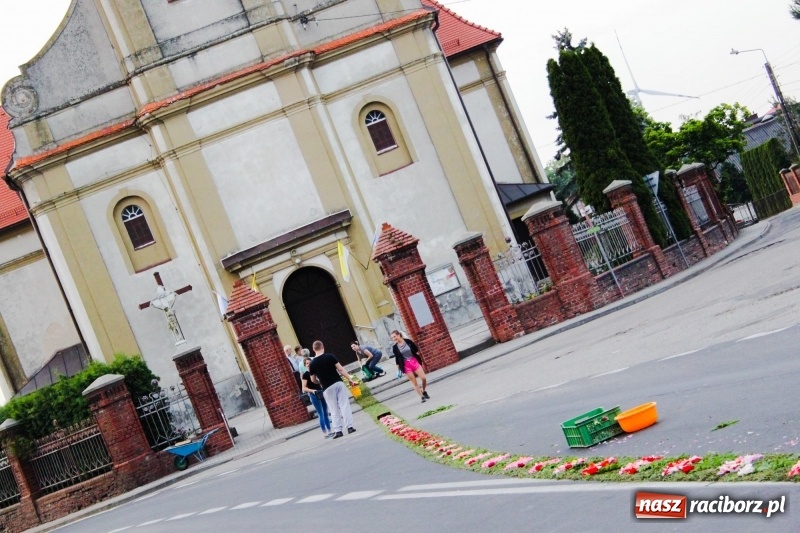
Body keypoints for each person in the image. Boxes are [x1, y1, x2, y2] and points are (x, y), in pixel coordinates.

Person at [309, 340, 358, 439]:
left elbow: (313, 380)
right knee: (344, 405)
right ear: (323, 347)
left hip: (326, 387)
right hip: (338, 383)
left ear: (313, 349)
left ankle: (338, 431)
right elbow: (340, 369)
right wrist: (350, 379)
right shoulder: (330, 356)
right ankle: (350, 427)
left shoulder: (312, 363)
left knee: (333, 409)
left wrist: (320, 382)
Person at [391, 330, 429, 403]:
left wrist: (418, 358)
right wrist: (398, 370)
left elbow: (416, 350)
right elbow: (397, 359)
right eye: (392, 338)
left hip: (414, 362)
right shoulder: (395, 347)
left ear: (399, 335)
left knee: (423, 378)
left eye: (394, 336)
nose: (394, 339)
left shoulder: (408, 341)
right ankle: (422, 397)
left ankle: (423, 391)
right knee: (414, 382)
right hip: (405, 365)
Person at [301, 356, 333, 438]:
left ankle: (330, 430)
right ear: (305, 365)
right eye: (307, 363)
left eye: (309, 363)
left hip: (321, 392)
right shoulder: (305, 375)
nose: (308, 364)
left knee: (326, 412)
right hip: (314, 395)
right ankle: (325, 433)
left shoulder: (316, 372)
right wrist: (312, 391)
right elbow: (304, 388)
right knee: (321, 414)